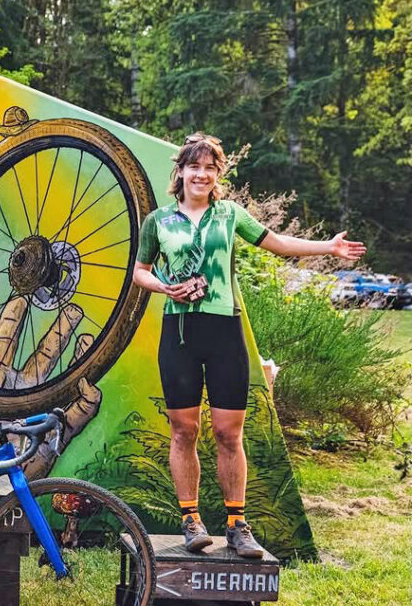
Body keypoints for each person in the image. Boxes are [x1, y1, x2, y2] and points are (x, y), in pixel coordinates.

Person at [132, 133, 365, 557]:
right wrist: (165, 287)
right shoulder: (159, 221)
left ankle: (237, 525)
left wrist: (328, 247)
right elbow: (140, 271)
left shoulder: (229, 214)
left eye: (210, 168)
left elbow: (277, 243)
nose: (202, 175)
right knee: (184, 430)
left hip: (225, 331)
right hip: (180, 333)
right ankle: (191, 520)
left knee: (228, 432)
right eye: (194, 166)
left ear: (217, 174)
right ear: (180, 171)